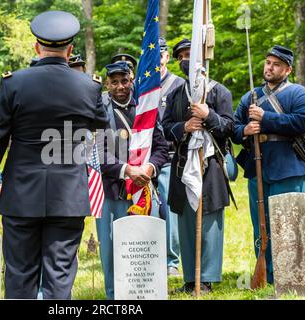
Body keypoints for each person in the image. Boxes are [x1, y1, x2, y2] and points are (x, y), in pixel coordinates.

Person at [0, 10, 108, 299]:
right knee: (59, 278)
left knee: (20, 276)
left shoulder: (14, 84)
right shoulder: (90, 86)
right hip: (68, 196)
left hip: (21, 195)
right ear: (70, 51)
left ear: (36, 47)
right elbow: (101, 125)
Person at [232, 45, 305, 284]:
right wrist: (245, 130)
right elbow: (234, 128)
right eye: (268, 62)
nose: (270, 67)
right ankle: (268, 275)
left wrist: (265, 118)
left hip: (287, 167)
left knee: (288, 226)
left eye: (276, 64)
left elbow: (301, 123)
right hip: (257, 168)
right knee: (262, 227)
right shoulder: (250, 96)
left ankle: (290, 277)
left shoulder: (298, 94)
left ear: (287, 69)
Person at [162, 39, 234, 294]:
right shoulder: (174, 94)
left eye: (190, 54)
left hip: (211, 165)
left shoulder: (219, 92)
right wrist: (184, 128)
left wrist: (208, 116)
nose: (185, 59)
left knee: (210, 221)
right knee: (186, 222)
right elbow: (165, 128)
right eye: (181, 55)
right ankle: (190, 279)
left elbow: (229, 128)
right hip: (183, 164)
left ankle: (207, 277)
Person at [97, 61, 168, 299]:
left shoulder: (145, 108)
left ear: (132, 80)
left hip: (143, 189)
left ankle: (146, 292)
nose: (120, 87)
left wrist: (149, 167)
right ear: (107, 83)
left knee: (144, 245)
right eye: (114, 82)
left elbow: (160, 148)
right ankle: (114, 296)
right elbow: (96, 151)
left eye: (124, 81)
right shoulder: (99, 109)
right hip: (112, 189)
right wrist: (127, 170)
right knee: (110, 248)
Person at [157, 37, 185, 277]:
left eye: (160, 54)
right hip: (141, 156)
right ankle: (148, 255)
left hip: (169, 154)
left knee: (168, 209)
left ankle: (171, 260)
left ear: (166, 57)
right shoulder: (138, 84)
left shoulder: (178, 85)